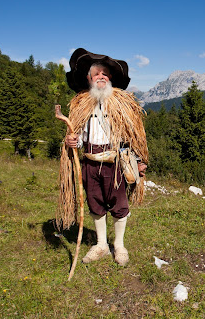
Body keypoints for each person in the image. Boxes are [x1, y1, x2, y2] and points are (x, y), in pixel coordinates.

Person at [57, 48, 148, 266]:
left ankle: (119, 245)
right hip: (89, 161)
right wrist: (73, 142)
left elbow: (133, 135)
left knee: (119, 204)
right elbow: (79, 137)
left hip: (115, 163)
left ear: (110, 79)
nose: (101, 77)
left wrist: (138, 161)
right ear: (88, 78)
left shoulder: (122, 103)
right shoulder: (81, 104)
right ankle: (100, 245)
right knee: (95, 203)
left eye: (105, 74)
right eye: (96, 73)